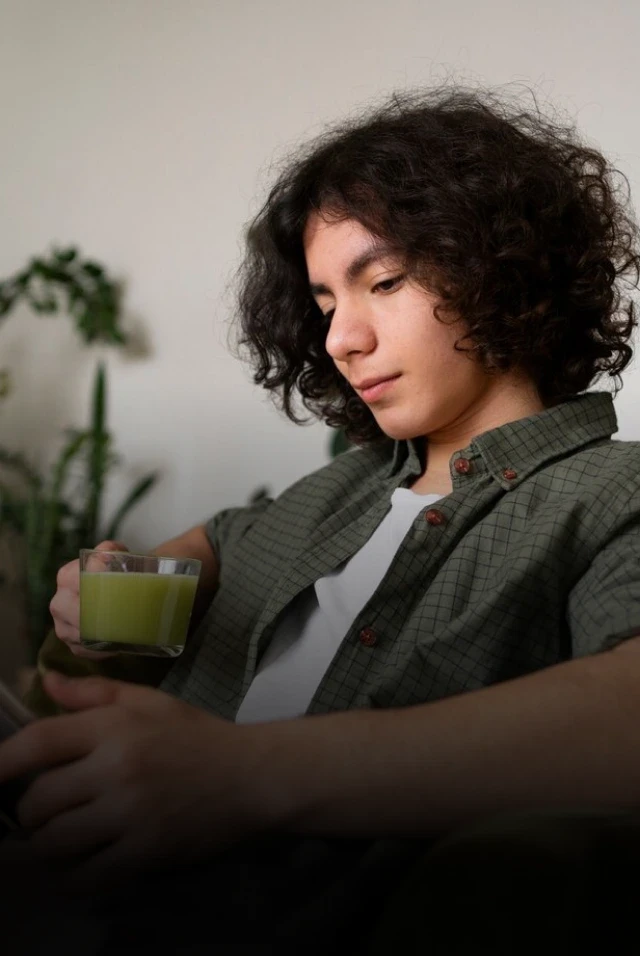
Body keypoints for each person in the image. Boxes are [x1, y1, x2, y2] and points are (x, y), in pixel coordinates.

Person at [2, 85, 640, 953]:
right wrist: (100, 608)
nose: (342, 338)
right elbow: (189, 562)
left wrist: (240, 776)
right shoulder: (324, 500)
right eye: (327, 302)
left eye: (383, 280)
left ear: (500, 267)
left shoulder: (613, 492)